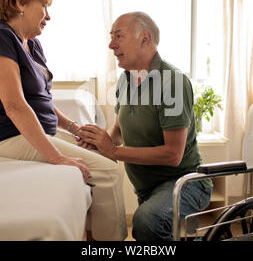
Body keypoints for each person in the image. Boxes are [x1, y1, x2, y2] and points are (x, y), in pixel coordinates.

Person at [0, 0, 127, 241]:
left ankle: (91, 236)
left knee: (104, 154)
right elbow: (15, 106)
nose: (48, 16)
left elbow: (41, 100)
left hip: (29, 132)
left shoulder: (31, 44)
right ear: (19, 3)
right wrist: (57, 157)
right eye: (43, 5)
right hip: (3, 138)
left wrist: (72, 127)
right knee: (110, 173)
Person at [78, 12, 213, 241]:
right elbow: (119, 131)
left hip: (185, 183)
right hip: (148, 189)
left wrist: (113, 151)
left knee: (146, 223)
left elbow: (173, 155)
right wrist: (98, 143)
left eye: (118, 36)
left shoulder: (173, 82)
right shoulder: (125, 80)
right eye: (111, 37)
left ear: (145, 38)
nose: (111, 45)